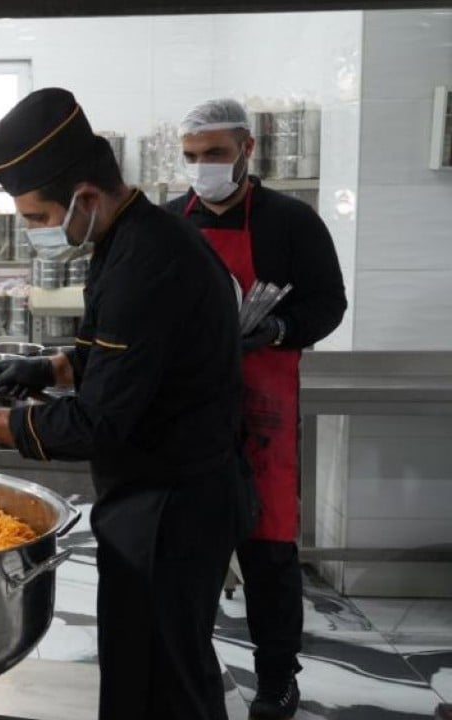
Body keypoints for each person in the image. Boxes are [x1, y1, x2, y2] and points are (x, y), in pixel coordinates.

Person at [0, 87, 253, 720]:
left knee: (167, 677)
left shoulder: (150, 259)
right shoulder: (128, 235)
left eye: (35, 218)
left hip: (172, 502)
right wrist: (50, 365)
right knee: (141, 664)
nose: (35, 232)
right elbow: (129, 357)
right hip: (155, 493)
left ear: (84, 197)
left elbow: (97, 424)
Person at [168, 98, 347, 720]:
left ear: (247, 147)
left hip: (265, 411)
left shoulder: (291, 223)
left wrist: (275, 330)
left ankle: (277, 680)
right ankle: (190, 671)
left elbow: (328, 305)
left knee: (269, 551)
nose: (203, 167)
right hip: (188, 412)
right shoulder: (169, 223)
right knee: (189, 551)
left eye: (215, 153)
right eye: (191, 156)